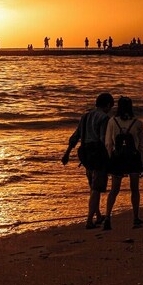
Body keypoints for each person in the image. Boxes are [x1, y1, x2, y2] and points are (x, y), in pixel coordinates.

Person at [61, 93, 114, 229]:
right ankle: (89, 220)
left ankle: (98, 215)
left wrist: (67, 153)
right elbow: (104, 140)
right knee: (97, 187)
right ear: (107, 105)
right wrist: (110, 157)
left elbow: (75, 136)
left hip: (85, 154)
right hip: (98, 154)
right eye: (110, 106)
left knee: (92, 185)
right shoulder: (104, 118)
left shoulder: (85, 116)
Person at [102, 96, 143, 230]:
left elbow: (108, 143)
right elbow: (141, 146)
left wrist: (108, 161)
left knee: (114, 190)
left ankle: (108, 217)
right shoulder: (137, 123)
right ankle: (135, 218)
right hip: (133, 159)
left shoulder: (112, 121)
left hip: (117, 159)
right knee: (134, 189)